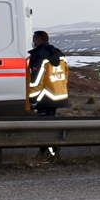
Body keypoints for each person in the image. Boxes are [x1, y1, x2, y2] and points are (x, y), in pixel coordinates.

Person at [28, 30, 68, 159]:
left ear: (38, 41)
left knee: (45, 128)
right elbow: (66, 74)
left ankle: (53, 154)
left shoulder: (39, 56)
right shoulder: (58, 54)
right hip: (57, 94)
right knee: (49, 125)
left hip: (44, 96)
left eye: (34, 40)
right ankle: (45, 153)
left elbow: (36, 80)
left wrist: (33, 98)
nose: (33, 43)